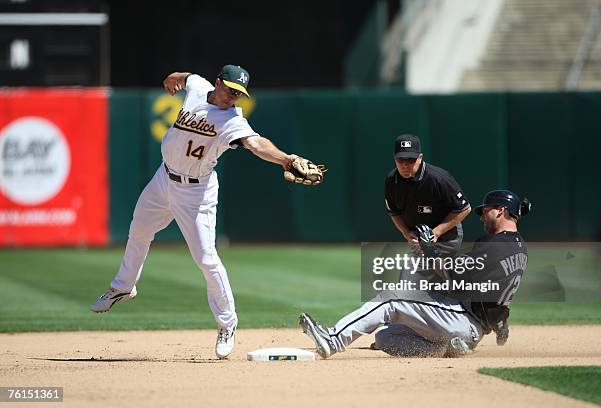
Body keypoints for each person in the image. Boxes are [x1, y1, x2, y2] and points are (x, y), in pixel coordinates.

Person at [90, 64, 321, 359]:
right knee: (139, 230)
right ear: (217, 82)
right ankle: (122, 287)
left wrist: (286, 160)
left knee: (206, 258)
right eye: (229, 89)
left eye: (238, 93)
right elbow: (185, 78)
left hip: (195, 193)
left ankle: (228, 323)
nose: (232, 97)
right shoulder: (199, 87)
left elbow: (255, 143)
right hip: (164, 178)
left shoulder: (232, 120)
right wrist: (172, 78)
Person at [299, 190, 531, 358]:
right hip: (469, 329)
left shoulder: (495, 244)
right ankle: (446, 349)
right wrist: (500, 319)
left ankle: (333, 339)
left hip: (462, 320)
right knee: (385, 338)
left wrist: (430, 249)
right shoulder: (519, 248)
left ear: (501, 210)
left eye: (486, 210)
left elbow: (456, 276)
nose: (481, 215)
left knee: (390, 298)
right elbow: (492, 286)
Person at [385, 134, 471, 276]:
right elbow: (393, 212)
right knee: (420, 281)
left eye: (410, 159)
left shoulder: (438, 178)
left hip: (447, 237)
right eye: (401, 160)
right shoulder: (391, 180)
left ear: (420, 158)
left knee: (418, 276)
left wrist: (435, 233)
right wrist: (407, 233)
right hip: (419, 239)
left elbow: (464, 208)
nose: (405, 164)